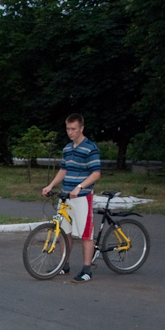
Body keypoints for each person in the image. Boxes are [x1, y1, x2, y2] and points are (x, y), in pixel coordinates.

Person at [42, 113, 101, 283]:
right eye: (68, 129)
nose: (70, 132)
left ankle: (87, 270)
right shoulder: (68, 148)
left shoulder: (90, 148)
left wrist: (80, 187)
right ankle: (64, 265)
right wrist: (51, 185)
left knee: (85, 234)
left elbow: (96, 173)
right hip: (66, 195)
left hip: (82, 196)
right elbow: (64, 169)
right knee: (64, 232)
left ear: (81, 128)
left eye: (74, 129)